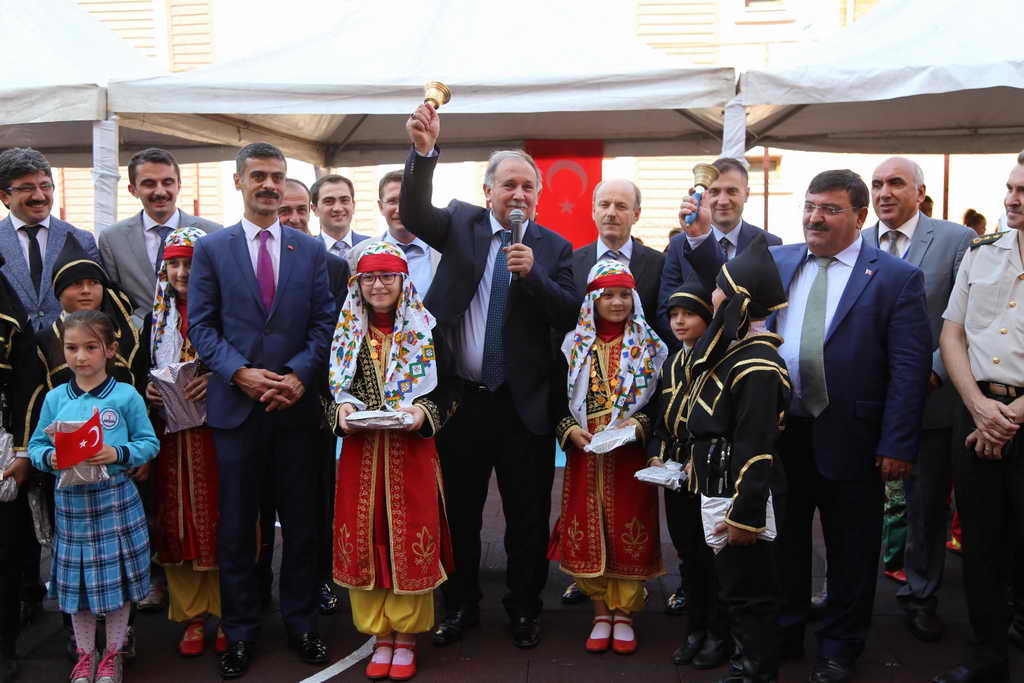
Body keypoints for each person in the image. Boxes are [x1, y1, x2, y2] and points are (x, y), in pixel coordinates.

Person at [402, 102, 579, 649]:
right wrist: (423, 152)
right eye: (509, 185)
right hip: (464, 401)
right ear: (488, 192)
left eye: (528, 187)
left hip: (523, 405)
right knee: (460, 513)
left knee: (527, 516)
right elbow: (414, 211)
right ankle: (461, 606)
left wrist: (533, 277)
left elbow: (569, 313)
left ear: (538, 196)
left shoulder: (554, 248)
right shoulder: (460, 224)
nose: (518, 194)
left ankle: (524, 607)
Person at [756, 169, 931, 683]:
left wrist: (897, 443)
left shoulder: (896, 278)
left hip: (854, 436)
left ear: (859, 217)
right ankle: (786, 631)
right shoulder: (778, 261)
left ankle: (840, 646)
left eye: (830, 209)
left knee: (852, 549)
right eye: (810, 206)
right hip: (782, 434)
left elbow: (908, 370)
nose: (815, 218)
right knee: (783, 543)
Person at [188, 142, 336, 679]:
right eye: (259, 176)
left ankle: (301, 623)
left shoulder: (310, 250)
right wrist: (240, 373)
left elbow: (325, 322)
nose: (269, 185)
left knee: (302, 526)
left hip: (296, 411)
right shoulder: (212, 249)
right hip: (237, 411)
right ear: (239, 182)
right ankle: (241, 631)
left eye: (277, 175)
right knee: (237, 530)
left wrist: (298, 376)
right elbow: (201, 325)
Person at [327, 241, 459, 681]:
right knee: (365, 537)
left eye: (387, 276)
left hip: (412, 454)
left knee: (408, 534)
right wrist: (340, 412)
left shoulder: (426, 330)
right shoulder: (344, 333)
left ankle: (406, 637)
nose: (378, 285)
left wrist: (424, 413)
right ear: (357, 284)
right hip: (360, 455)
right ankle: (379, 633)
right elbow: (326, 390)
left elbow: (450, 388)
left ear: (403, 282)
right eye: (369, 277)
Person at [671, 232, 792, 682]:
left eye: (720, 289)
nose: (713, 297)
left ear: (739, 301)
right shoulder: (738, 353)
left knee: (750, 593)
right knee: (737, 587)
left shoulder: (757, 364)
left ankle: (756, 672)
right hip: (720, 483)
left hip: (740, 496)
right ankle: (747, 667)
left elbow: (755, 448)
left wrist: (745, 516)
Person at [864, 157, 975, 643]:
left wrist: (928, 372)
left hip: (930, 398)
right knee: (850, 503)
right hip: (865, 401)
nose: (884, 192)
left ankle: (921, 595)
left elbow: (966, 316)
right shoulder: (856, 240)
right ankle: (846, 590)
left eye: (895, 183)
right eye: (876, 184)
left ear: (920, 192)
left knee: (925, 505)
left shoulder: (955, 240)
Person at [931, 153, 1024, 683]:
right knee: (981, 547)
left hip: (1011, 415)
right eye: (1010, 188)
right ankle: (986, 661)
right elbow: (952, 334)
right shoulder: (982, 252)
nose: (1011, 199)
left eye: (1023, 191)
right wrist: (978, 408)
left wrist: (1008, 419)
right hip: (976, 412)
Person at [27, 310, 159, 683]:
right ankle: (86, 656)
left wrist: (118, 453)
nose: (80, 356)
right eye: (72, 348)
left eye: (90, 347)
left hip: (115, 498)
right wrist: (50, 458)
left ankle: (113, 654)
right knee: (78, 585)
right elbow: (36, 446)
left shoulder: (126, 395)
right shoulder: (55, 398)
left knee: (116, 584)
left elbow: (149, 443)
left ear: (111, 350)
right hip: (71, 504)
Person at [552, 260, 667, 654]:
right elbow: (556, 398)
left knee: (629, 527)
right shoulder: (572, 345)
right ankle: (601, 613)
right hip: (585, 454)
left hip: (629, 457)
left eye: (623, 295)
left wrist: (638, 426)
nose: (617, 302)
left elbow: (661, 401)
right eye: (608, 295)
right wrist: (570, 430)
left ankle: (625, 614)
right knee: (588, 526)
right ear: (593, 300)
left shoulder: (651, 347)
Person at [139, 226, 227, 658]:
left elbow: (242, 360)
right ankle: (192, 615)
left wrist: (215, 380)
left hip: (218, 433)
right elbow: (140, 368)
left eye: (189, 263)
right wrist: (148, 390)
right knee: (178, 521)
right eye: (173, 264)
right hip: (172, 438)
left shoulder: (225, 311)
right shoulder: (155, 320)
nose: (181, 272)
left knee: (223, 517)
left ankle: (228, 612)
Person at [272, 176, 349, 616]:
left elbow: (336, 334)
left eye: (302, 210)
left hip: (312, 403)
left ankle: (319, 579)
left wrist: (302, 379)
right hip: (258, 397)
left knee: (314, 503)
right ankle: (260, 585)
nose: (295, 218)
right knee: (259, 506)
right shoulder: (243, 260)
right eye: (286, 210)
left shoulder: (333, 266)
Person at [649, 279, 733, 669]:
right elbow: (660, 422)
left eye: (689, 314)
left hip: (711, 473)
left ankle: (719, 633)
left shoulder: (723, 361)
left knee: (714, 555)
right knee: (687, 554)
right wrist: (657, 456)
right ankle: (695, 629)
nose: (680, 322)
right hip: (675, 475)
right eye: (674, 315)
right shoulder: (671, 362)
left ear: (708, 318)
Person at [659, 157, 779, 349]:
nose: (723, 201)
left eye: (732, 191)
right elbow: (667, 309)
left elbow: (772, 312)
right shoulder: (679, 244)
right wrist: (695, 352)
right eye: (714, 192)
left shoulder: (770, 244)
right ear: (702, 196)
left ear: (746, 193)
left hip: (748, 356)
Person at [98, 148, 221, 323]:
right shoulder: (112, 239)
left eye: (167, 182)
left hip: (197, 334)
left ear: (179, 185)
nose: (160, 192)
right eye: (149, 184)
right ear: (133, 190)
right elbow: (113, 301)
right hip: (138, 337)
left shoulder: (212, 234)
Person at [0, 147, 101, 331]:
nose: (39, 196)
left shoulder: (82, 240)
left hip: (65, 345)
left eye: (45, 186)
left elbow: (97, 304)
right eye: (27, 188)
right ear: (4, 196)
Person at [0, 264, 38, 683]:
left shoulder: (8, 311)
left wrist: (25, 450)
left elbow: (27, 384)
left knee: (4, 549)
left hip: (2, 440)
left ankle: (3, 643)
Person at [378, 170, 440, 297]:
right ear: (380, 207)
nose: (400, 209)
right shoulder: (358, 255)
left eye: (408, 200)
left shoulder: (444, 254)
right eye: (392, 201)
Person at [310, 174, 368, 261]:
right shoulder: (308, 251)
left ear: (353, 205)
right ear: (315, 209)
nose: (338, 208)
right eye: (328, 201)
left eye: (344, 200)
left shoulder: (371, 247)